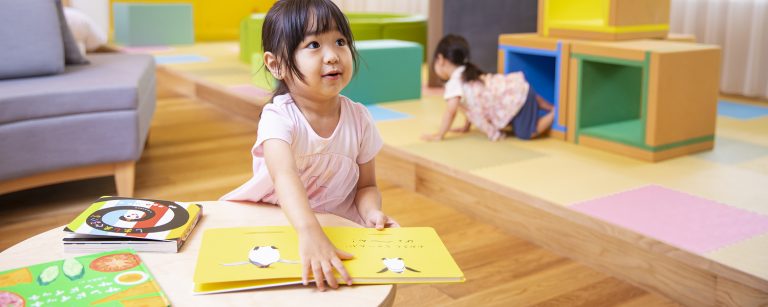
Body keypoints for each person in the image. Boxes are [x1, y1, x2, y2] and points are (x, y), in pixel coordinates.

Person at [220, 0, 398, 291]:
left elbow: (367, 186)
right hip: (280, 223)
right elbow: (284, 176)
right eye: (314, 45)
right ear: (276, 64)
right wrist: (308, 231)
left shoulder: (360, 119)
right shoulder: (278, 117)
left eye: (340, 41)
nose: (332, 56)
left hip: (334, 227)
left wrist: (371, 213)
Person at [422, 34, 555, 142]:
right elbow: (472, 105)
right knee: (523, 97)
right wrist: (466, 126)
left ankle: (556, 113)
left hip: (520, 96)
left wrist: (440, 134)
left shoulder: (454, 82)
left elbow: (451, 112)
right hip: (518, 90)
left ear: (440, 59)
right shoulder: (466, 72)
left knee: (525, 133)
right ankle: (547, 106)